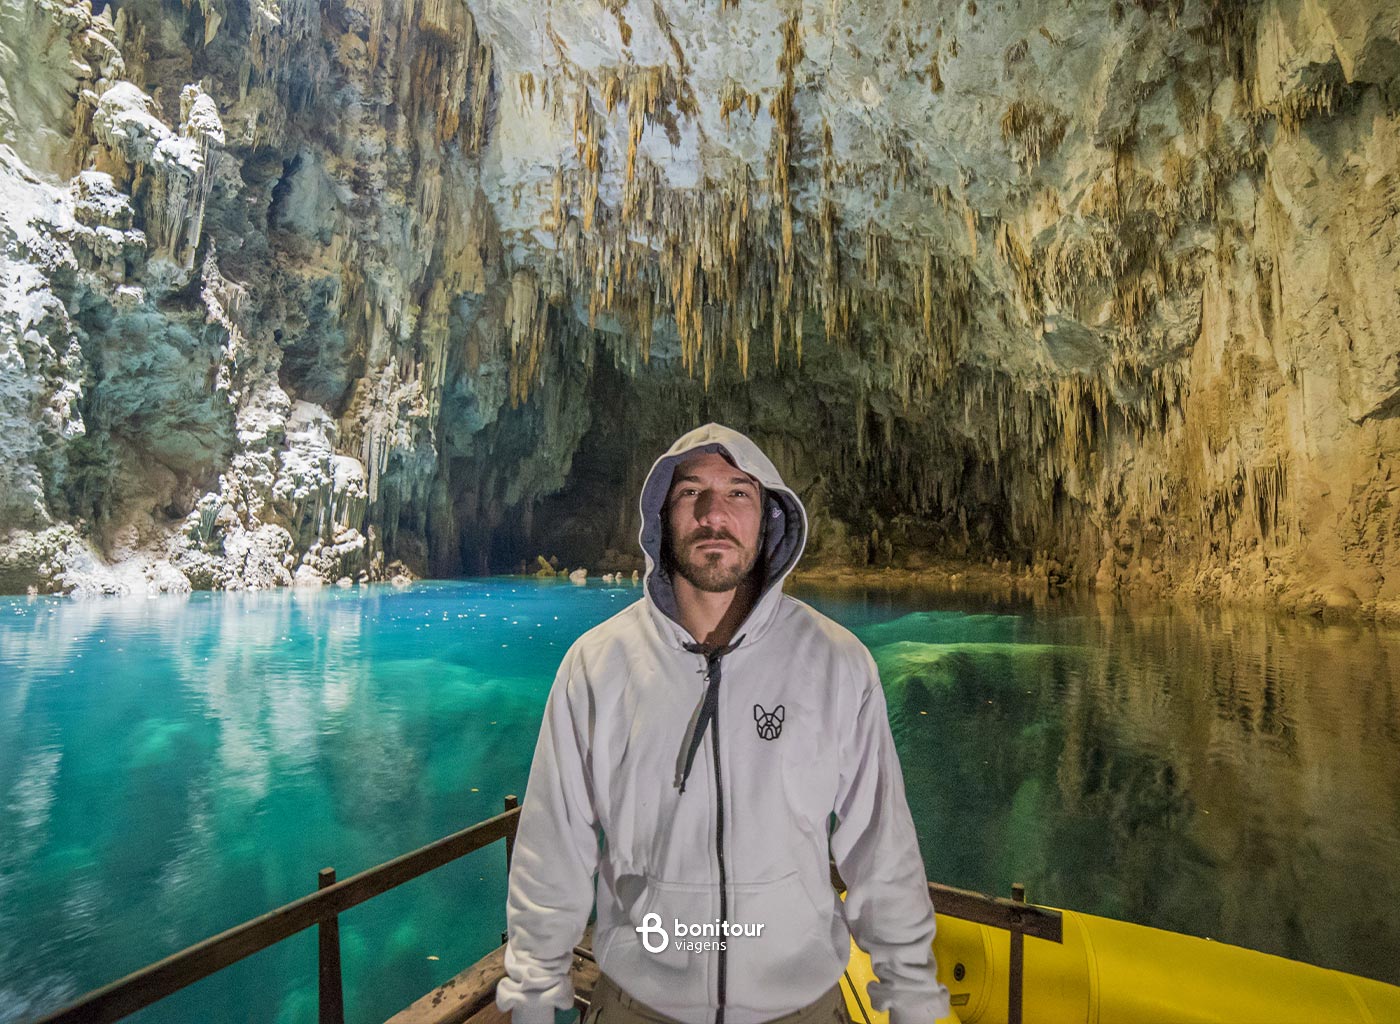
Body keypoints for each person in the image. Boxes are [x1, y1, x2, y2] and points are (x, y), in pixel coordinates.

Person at [496, 423, 951, 1024]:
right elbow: (552, 846)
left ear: (769, 518)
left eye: (739, 493)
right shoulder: (597, 666)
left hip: (800, 1007)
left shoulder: (835, 663)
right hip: (640, 1005)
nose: (714, 514)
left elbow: (881, 847)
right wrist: (532, 993)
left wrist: (911, 992)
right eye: (691, 492)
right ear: (662, 516)